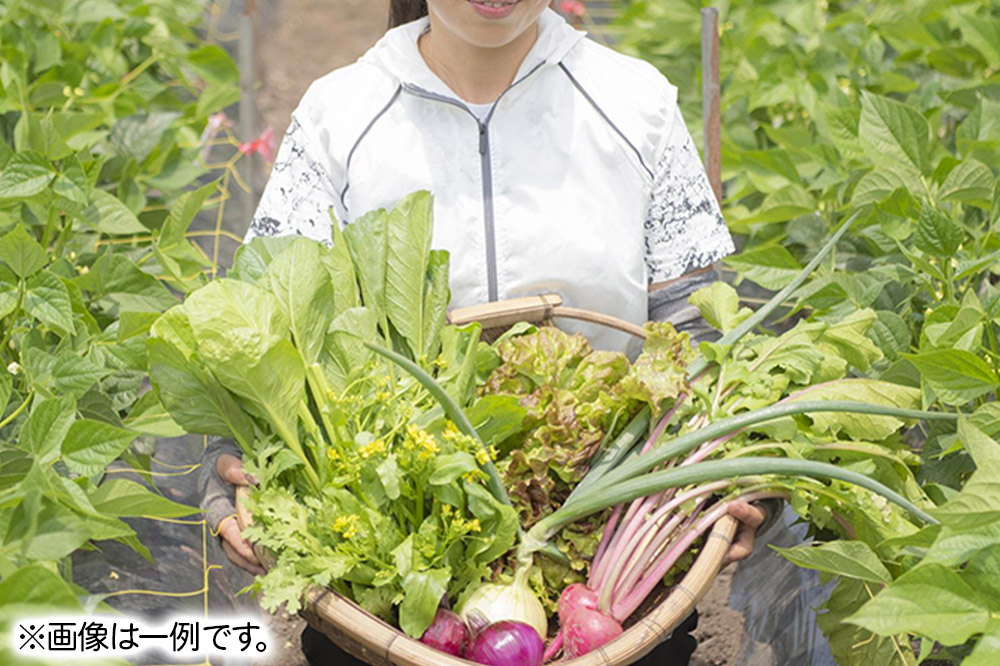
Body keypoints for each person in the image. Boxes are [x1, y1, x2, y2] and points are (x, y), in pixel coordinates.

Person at [199, 1, 772, 663]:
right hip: (387, 579)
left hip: (606, 569)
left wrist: (729, 472)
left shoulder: (635, 103)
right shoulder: (340, 115)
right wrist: (230, 471)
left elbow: (691, 324)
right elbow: (270, 320)